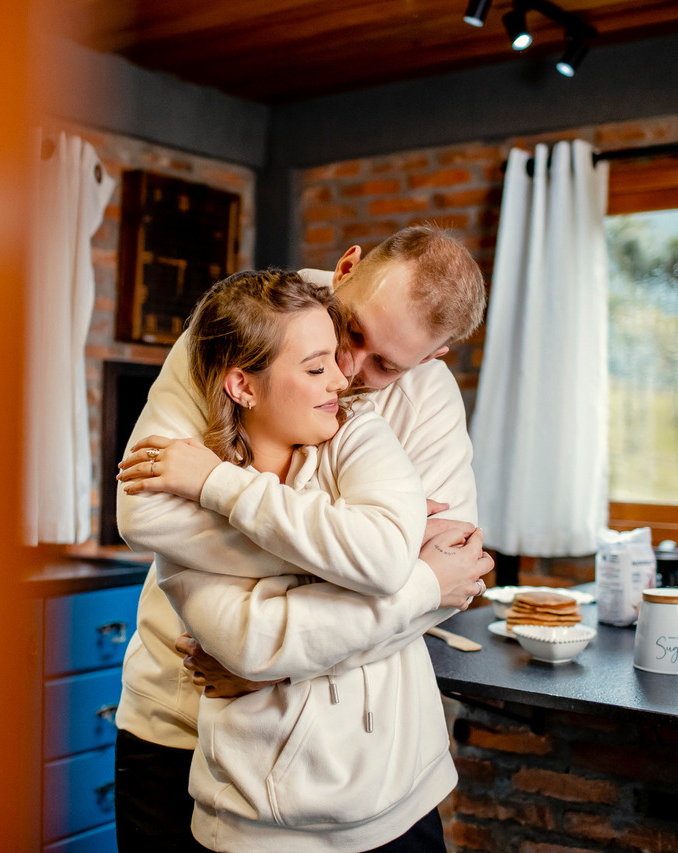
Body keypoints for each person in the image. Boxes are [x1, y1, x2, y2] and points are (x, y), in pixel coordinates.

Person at [114, 226, 493, 852]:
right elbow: (146, 516)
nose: (346, 372)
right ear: (346, 269)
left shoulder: (430, 405)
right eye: (355, 332)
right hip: (182, 704)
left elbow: (445, 575)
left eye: (385, 366)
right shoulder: (238, 326)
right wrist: (371, 549)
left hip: (362, 760)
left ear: (433, 357)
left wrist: (273, 664)